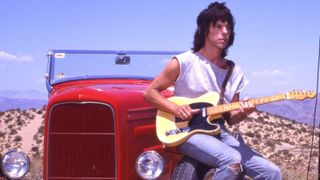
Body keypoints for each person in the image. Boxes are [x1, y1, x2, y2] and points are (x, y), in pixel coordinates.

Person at [143, 1, 282, 180]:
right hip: (185, 131)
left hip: (217, 131)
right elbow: (150, 93)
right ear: (205, 30)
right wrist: (176, 109)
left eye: (228, 27)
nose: (225, 31)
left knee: (272, 172)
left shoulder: (234, 71)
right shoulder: (184, 61)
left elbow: (231, 119)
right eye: (218, 26)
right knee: (231, 160)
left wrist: (244, 112)